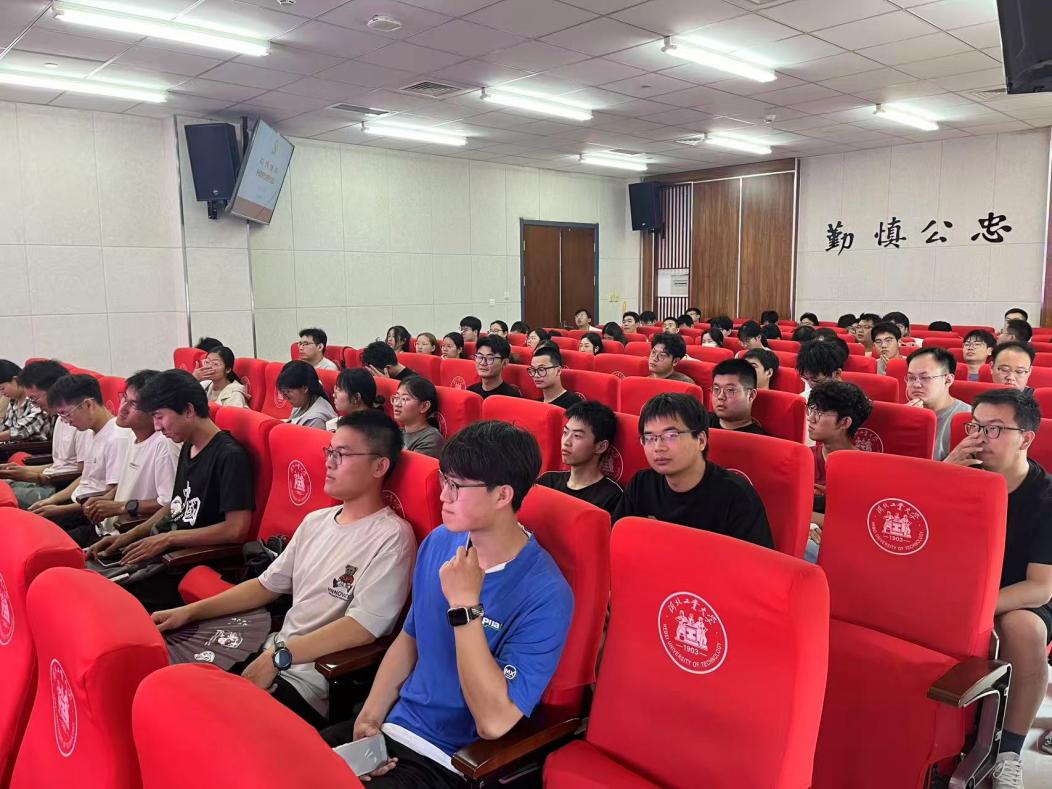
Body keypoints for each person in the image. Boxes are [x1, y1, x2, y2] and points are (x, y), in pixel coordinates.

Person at [324, 421, 573, 786]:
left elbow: (493, 722)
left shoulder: (546, 593)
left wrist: (465, 607)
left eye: (457, 486)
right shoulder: (441, 541)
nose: (443, 495)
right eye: (444, 480)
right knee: (277, 765)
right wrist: (371, 718)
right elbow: (410, 638)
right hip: (391, 730)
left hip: (448, 761)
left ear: (502, 496)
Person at [152, 410, 415, 725]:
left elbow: (362, 627)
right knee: (171, 688)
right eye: (329, 451)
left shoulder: (392, 537)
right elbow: (266, 586)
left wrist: (278, 658)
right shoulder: (316, 521)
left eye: (342, 455)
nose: (329, 463)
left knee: (209, 724)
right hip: (270, 651)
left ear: (379, 466)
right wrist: (189, 612)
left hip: (309, 679)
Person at [944, 389, 1052, 788]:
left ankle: (1009, 751)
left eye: (994, 429)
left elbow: (1039, 588)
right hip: (961, 585)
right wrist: (944, 474)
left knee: (1024, 629)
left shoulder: (1045, 497)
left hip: (1017, 593)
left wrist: (973, 608)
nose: (979, 438)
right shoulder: (963, 475)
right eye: (975, 427)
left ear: (1026, 438)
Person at [87, 369, 254, 612]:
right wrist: (130, 536)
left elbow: (236, 529)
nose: (156, 427)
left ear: (188, 410)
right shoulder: (188, 446)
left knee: (105, 601)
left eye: (159, 417)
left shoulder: (230, 456)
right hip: (165, 551)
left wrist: (167, 539)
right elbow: (173, 506)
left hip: (191, 562)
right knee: (90, 578)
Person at [613, 393, 773, 548]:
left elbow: (754, 562)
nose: (658, 447)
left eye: (671, 435)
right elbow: (617, 541)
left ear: (701, 441)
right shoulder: (641, 484)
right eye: (649, 438)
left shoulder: (737, 496)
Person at [71, 370, 180, 549]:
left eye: (133, 404)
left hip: (128, 536)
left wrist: (121, 507)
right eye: (124, 399)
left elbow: (169, 504)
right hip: (105, 529)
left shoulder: (164, 445)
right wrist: (106, 499)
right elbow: (127, 482)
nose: (122, 409)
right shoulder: (131, 435)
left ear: (154, 412)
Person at [26, 374, 129, 531]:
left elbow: (110, 495)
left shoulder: (116, 438)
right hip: (77, 502)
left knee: (34, 528)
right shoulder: (90, 431)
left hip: (91, 514)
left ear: (88, 405)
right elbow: (85, 478)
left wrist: (59, 510)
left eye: (67, 414)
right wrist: (52, 500)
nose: (67, 421)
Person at [0, 361, 92, 509]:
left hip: (59, 489)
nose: (34, 405)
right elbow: (59, 464)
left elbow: (82, 473)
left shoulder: (81, 423)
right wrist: (21, 471)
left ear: (54, 391)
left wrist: (35, 476)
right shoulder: (61, 419)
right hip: (49, 482)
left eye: (34, 399)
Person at [805, 381, 873, 561]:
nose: (810, 418)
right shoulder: (803, 458)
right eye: (811, 410)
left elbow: (855, 524)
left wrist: (805, 518)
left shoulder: (866, 470)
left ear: (845, 422)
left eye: (820, 413)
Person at [537, 400, 622, 515]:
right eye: (565, 432)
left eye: (577, 436)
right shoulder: (547, 481)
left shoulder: (613, 497)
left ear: (601, 447)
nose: (566, 442)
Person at [903, 347, 970, 461]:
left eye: (925, 378)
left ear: (948, 380)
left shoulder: (969, 419)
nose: (916, 384)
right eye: (911, 378)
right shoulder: (903, 413)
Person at [709, 359, 767, 435]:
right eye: (716, 389)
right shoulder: (699, 423)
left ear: (751, 395)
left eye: (730, 390)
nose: (720, 396)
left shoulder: (759, 439)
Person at [393, 376, 444, 459]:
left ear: (424, 406)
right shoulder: (397, 432)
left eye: (405, 399)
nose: (397, 404)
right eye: (396, 397)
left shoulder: (431, 439)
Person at [278, 361, 338, 430]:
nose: (285, 397)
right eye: (284, 392)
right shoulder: (303, 400)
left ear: (305, 388)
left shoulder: (316, 419)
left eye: (288, 391)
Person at [0, 360, 50, 443]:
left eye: (2, 388)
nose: (2, 394)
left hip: (35, 448)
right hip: (12, 448)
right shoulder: (13, 403)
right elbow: (4, 428)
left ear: (16, 380)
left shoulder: (35, 399)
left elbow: (24, 429)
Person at [468, 335, 522, 400]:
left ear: (505, 363)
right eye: (479, 357)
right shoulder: (470, 392)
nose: (482, 362)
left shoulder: (512, 398)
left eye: (490, 358)